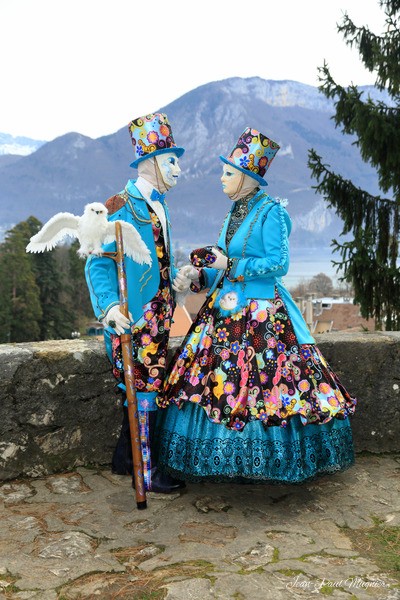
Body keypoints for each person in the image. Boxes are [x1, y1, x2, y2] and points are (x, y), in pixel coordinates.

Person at [156, 126, 357, 484]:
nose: (221, 178)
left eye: (228, 173)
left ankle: (268, 461)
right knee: (223, 382)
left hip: (264, 314)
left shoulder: (272, 213)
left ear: (248, 178)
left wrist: (229, 265)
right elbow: (221, 265)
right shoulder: (233, 212)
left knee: (268, 382)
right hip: (226, 309)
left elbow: (279, 264)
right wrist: (198, 277)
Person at [85, 112, 189, 493]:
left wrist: (175, 276)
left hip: (161, 313)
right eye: (171, 160)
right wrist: (110, 307)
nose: (178, 168)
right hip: (135, 316)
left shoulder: (161, 206)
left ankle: (125, 458)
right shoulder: (118, 206)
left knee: (151, 383)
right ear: (150, 162)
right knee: (143, 388)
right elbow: (97, 262)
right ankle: (143, 469)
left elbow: (159, 257)